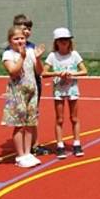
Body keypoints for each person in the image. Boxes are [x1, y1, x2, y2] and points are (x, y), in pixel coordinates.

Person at [2, 26, 44, 168]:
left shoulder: (31, 51)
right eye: (16, 38)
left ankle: (27, 152)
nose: (20, 41)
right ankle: (20, 155)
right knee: (19, 125)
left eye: (22, 38)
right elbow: (13, 71)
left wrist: (37, 59)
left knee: (30, 124)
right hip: (17, 92)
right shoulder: (8, 54)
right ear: (10, 41)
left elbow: (39, 71)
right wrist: (22, 56)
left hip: (32, 91)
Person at [43, 27, 87, 159]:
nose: (64, 42)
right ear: (56, 42)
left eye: (66, 40)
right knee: (59, 119)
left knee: (74, 118)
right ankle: (60, 145)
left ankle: (77, 143)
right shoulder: (52, 56)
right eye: (61, 40)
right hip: (59, 90)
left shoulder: (74, 55)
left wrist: (71, 74)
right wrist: (57, 73)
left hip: (72, 89)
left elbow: (84, 71)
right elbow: (44, 73)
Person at [13, 14, 49, 157]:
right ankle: (23, 147)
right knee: (21, 118)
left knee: (33, 115)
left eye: (29, 29)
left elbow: (39, 69)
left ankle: (34, 144)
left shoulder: (33, 47)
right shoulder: (12, 48)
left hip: (34, 83)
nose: (26, 31)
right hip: (20, 86)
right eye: (23, 28)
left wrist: (38, 59)